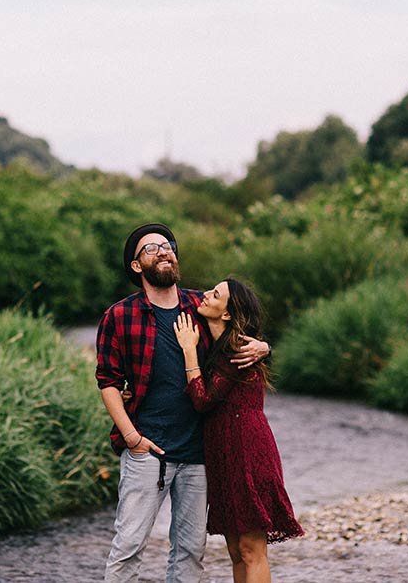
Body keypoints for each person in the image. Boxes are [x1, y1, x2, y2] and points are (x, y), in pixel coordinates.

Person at [95, 223, 270, 583]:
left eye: (168, 245)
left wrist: (265, 346)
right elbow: (108, 382)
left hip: (198, 454)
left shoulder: (200, 306)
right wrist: (131, 438)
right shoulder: (119, 315)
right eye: (151, 248)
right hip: (147, 451)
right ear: (135, 266)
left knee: (190, 554)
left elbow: (239, 327)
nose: (163, 251)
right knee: (128, 548)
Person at [174, 278, 304, 583]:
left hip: (247, 451)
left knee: (251, 550)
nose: (205, 295)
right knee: (235, 550)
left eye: (215, 294)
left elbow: (203, 400)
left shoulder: (239, 349)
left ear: (228, 313)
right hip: (223, 454)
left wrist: (189, 352)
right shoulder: (220, 344)